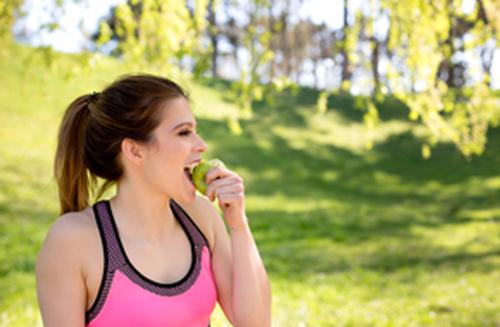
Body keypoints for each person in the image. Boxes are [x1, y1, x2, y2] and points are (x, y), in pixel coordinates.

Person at [35, 74, 272, 326]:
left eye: (196, 131)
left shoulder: (200, 217)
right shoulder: (72, 240)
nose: (201, 145)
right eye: (184, 133)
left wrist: (238, 225)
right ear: (135, 151)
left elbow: (255, 323)